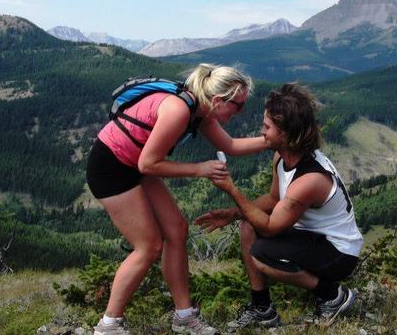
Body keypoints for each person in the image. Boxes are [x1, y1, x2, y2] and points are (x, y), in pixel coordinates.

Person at [87, 64, 267, 335]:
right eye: (238, 105)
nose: (240, 111)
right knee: (148, 246)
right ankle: (108, 325)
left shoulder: (201, 111)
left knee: (177, 230)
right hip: (110, 168)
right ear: (219, 100)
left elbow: (229, 146)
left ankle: (184, 316)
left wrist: (275, 140)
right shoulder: (178, 110)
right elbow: (148, 164)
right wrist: (199, 169)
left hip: (134, 163)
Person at [195, 83, 363, 331]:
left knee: (262, 254)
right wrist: (234, 214)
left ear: (286, 134)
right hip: (313, 238)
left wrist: (231, 189)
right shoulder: (283, 157)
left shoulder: (310, 180)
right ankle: (262, 308)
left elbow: (271, 227)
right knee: (247, 226)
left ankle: (332, 295)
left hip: (339, 252)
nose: (262, 132)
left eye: (267, 127)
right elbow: (274, 199)